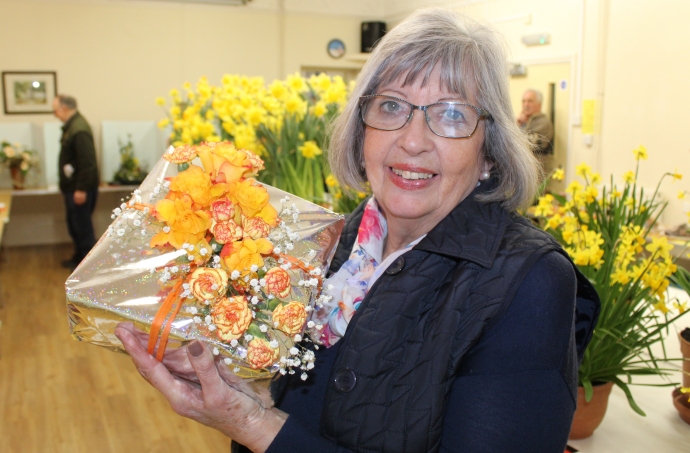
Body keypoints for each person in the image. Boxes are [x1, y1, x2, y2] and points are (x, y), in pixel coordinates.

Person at [115, 7, 600, 453]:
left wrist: (251, 425)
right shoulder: (337, 242)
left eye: (452, 115)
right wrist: (239, 389)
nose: (412, 140)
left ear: (489, 153)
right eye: (391, 106)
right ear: (361, 128)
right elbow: (311, 402)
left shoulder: (528, 282)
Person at [52, 95, 99, 269]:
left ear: (64, 108)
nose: (55, 114)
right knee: (75, 226)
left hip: (79, 189)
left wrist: (81, 189)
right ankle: (79, 258)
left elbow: (87, 162)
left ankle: (86, 267)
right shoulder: (72, 127)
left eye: (55, 110)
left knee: (82, 228)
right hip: (74, 187)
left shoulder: (78, 129)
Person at [517, 89, 555, 175]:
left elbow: (529, 144)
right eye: (524, 101)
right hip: (522, 171)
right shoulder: (523, 121)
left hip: (535, 173)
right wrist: (517, 124)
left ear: (539, 104)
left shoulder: (543, 122)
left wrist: (516, 129)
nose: (526, 104)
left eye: (530, 101)